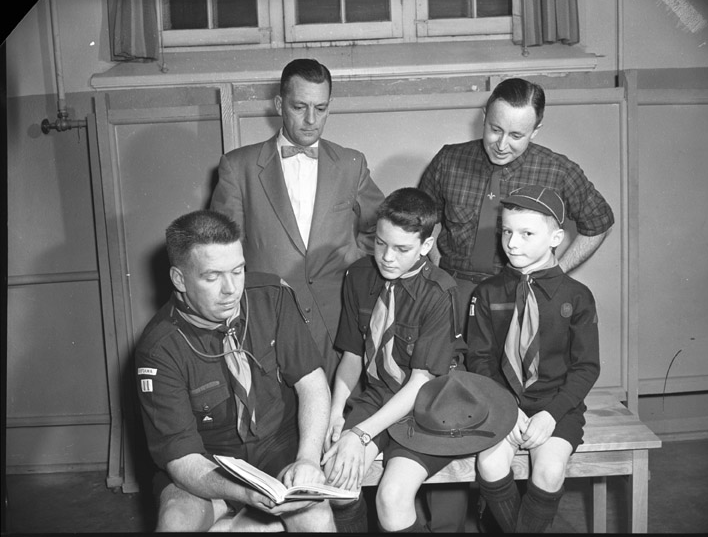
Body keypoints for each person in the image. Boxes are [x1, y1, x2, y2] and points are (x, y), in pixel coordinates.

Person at [134, 210, 335, 532]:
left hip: (278, 449)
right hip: (208, 464)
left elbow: (311, 383)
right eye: (212, 277)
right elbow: (183, 459)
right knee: (176, 524)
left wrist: (308, 458)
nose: (231, 289)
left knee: (316, 518)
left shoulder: (272, 298)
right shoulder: (160, 348)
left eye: (238, 271)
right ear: (179, 279)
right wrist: (245, 493)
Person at [210, 58, 385, 384]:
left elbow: (381, 228)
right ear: (279, 105)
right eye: (299, 107)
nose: (311, 120)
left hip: (338, 321)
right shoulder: (238, 167)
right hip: (268, 320)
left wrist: (353, 259)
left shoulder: (352, 163)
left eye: (321, 108)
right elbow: (221, 252)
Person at [321, 188, 465, 532]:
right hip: (378, 396)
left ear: (426, 246)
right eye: (380, 243)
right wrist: (336, 412)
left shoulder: (440, 291)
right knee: (336, 482)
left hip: (429, 406)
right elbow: (352, 355)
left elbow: (420, 383)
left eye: (402, 249)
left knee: (391, 498)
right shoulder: (358, 276)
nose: (387, 257)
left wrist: (360, 434)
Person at [419, 77, 614, 331]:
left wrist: (556, 274)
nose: (501, 145)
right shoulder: (448, 160)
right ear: (484, 117)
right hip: (453, 292)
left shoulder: (558, 171)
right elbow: (424, 218)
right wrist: (437, 265)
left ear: (535, 130)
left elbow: (599, 223)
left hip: (519, 296)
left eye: (516, 135)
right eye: (495, 129)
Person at [466, 185, 601, 532]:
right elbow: (479, 360)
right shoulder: (487, 293)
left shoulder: (577, 296)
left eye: (527, 234)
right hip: (502, 401)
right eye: (507, 232)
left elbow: (586, 367)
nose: (512, 243)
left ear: (556, 238)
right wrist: (505, 408)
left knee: (550, 469)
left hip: (557, 404)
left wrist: (551, 414)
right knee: (490, 464)